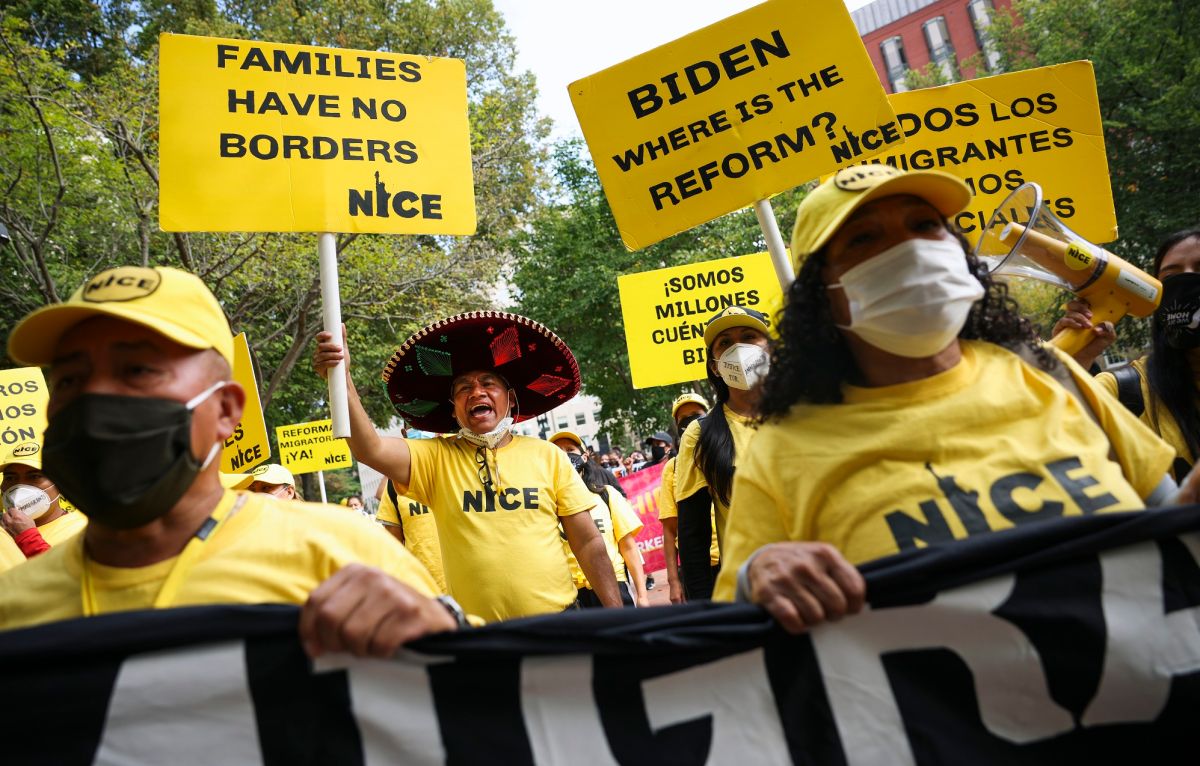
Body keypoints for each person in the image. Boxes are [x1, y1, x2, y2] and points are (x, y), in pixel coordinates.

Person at [713, 165, 1193, 634]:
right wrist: (762, 573)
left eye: (924, 225)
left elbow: (1175, 530)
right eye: (864, 239)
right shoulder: (782, 450)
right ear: (823, 295)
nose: (910, 249)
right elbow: (729, 634)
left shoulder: (1049, 374)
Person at [0, 265, 460, 653]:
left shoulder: (344, 558)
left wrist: (437, 645)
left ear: (225, 410)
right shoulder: (14, 610)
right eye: (70, 380)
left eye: (137, 370)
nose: (95, 398)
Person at [313, 311, 621, 622]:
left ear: (511, 400)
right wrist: (341, 378)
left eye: (488, 383)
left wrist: (617, 617)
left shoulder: (548, 456)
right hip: (478, 639)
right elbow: (370, 449)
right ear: (454, 409)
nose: (476, 392)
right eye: (463, 389)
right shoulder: (434, 459)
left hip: (556, 627)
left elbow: (588, 542)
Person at [1056, 228, 1200, 481]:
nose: (1187, 282)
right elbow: (1050, 431)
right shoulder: (1126, 391)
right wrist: (1072, 362)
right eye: (1170, 276)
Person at [673, 305, 772, 600]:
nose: (739, 349)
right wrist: (706, 610)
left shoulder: (807, 416)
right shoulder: (700, 434)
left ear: (771, 349)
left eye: (749, 337)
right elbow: (693, 536)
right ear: (715, 365)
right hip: (751, 592)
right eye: (726, 342)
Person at [550, 430, 648, 607]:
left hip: (614, 585)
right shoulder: (547, 505)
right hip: (570, 596)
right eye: (558, 452)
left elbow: (629, 547)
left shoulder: (607, 495)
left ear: (585, 456)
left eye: (570, 449)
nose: (565, 456)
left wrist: (642, 596)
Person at [656, 392, 720, 604]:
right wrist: (674, 581)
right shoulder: (672, 469)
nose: (691, 421)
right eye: (683, 419)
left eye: (696, 414)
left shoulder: (725, 454)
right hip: (696, 568)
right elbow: (670, 529)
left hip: (730, 560)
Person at [1, 444, 87, 561]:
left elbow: (72, 577)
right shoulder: (2, 532)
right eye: (10, 478)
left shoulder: (84, 530)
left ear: (60, 482)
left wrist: (27, 538)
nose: (19, 486)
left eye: (34, 476)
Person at [376, 477, 447, 594]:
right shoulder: (393, 486)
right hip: (423, 590)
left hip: (470, 586)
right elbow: (394, 550)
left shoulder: (458, 471)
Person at [224, 463, 298, 499]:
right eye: (252, 490)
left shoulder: (306, 526)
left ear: (289, 492)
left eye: (266, 488)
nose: (257, 495)